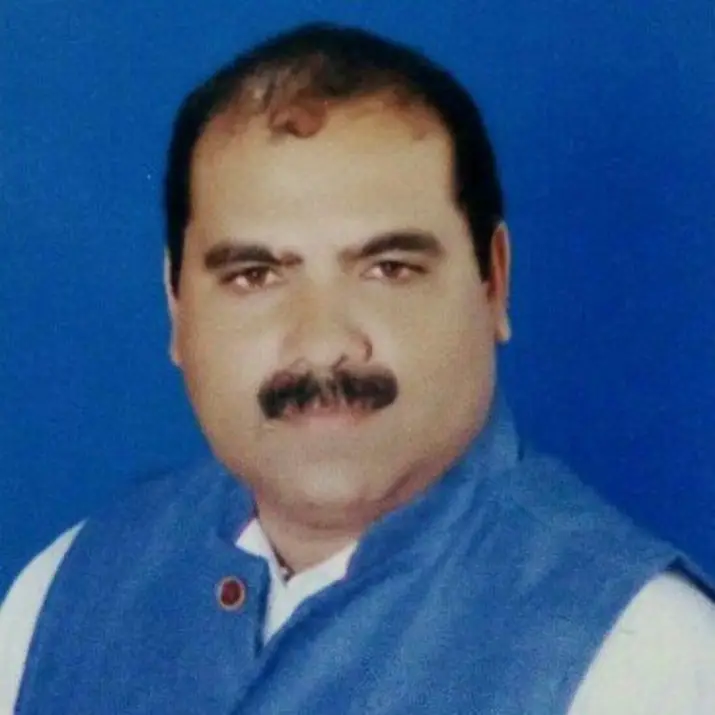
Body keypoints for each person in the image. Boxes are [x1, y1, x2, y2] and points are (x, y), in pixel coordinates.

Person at [1, 22, 713, 715]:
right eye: (254, 275)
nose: (323, 345)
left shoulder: (647, 660)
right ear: (176, 305)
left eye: (388, 268)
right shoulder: (61, 595)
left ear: (493, 283)